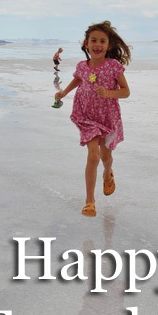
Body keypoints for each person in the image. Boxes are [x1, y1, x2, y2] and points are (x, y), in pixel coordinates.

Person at [55, 21, 131, 217]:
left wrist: (108, 93)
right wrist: (63, 92)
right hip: (86, 115)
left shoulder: (114, 66)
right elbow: (78, 79)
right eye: (93, 40)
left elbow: (126, 92)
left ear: (109, 45)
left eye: (102, 41)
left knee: (105, 157)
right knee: (93, 156)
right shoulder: (82, 66)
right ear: (86, 43)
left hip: (107, 117)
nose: (97, 44)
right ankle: (90, 201)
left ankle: (108, 173)